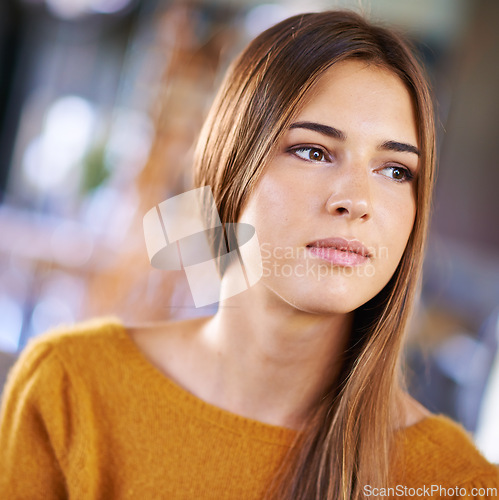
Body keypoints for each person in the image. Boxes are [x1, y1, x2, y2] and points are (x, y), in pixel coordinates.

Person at [1, 10, 498, 500]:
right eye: (313, 151)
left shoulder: (456, 480)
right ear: (230, 168)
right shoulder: (70, 387)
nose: (357, 201)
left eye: (395, 170)